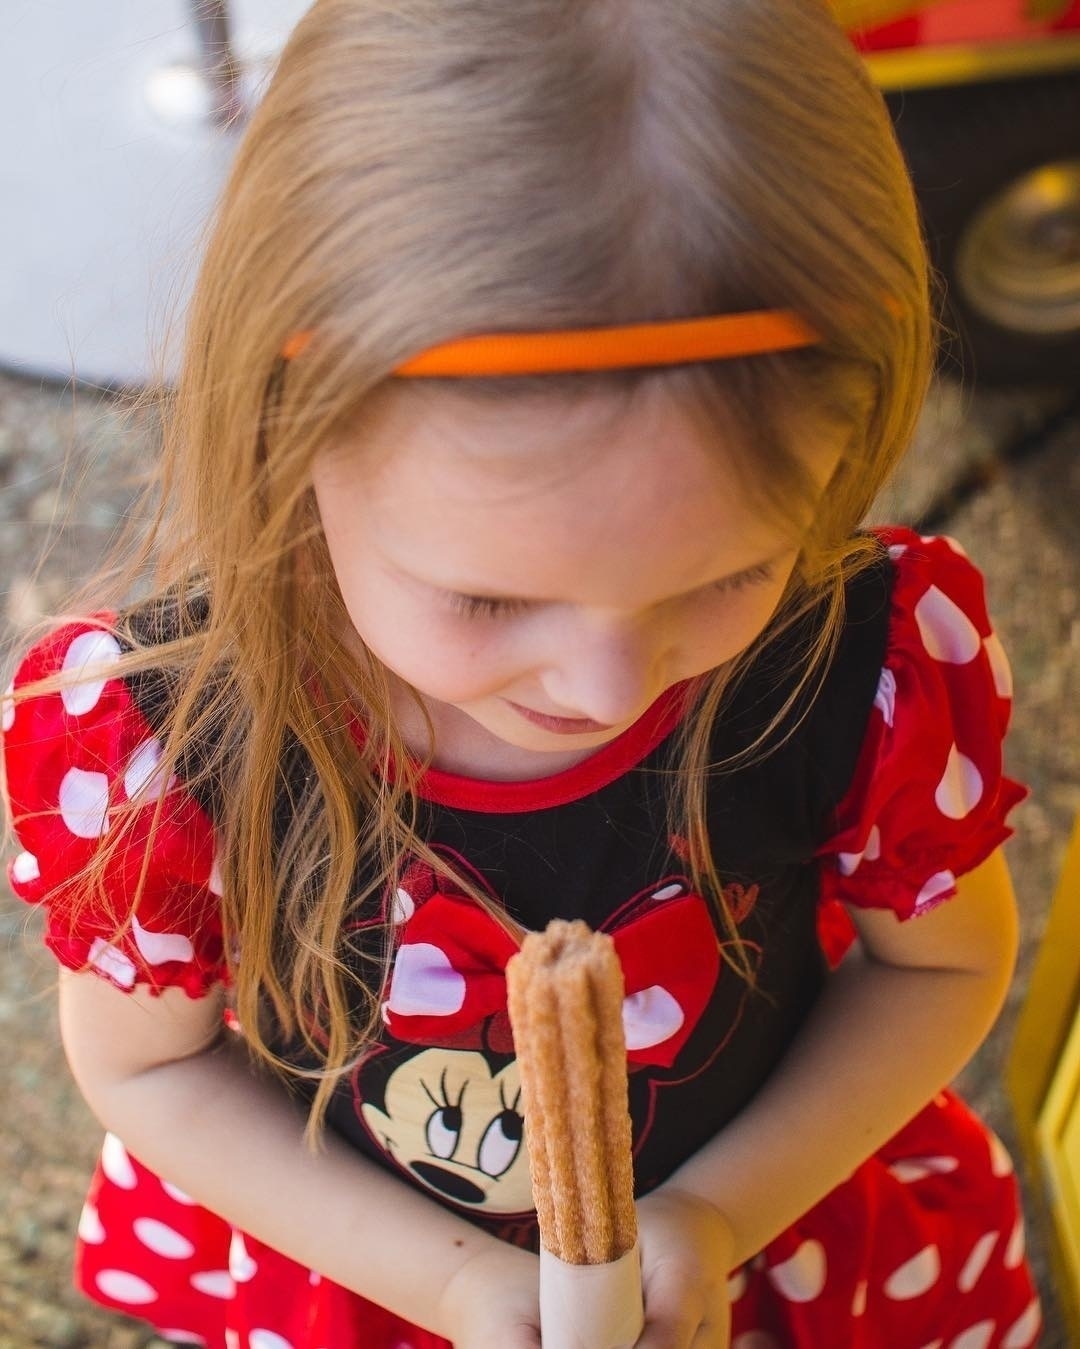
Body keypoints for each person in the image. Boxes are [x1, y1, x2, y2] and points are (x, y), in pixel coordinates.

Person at [2, 1, 1043, 1346]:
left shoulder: (863, 667)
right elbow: (152, 1067)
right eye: (488, 597)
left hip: (762, 1231)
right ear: (287, 436)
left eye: (725, 574)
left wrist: (720, 1213)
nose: (606, 686)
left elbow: (939, 970)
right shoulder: (168, 741)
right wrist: (445, 1282)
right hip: (369, 1265)